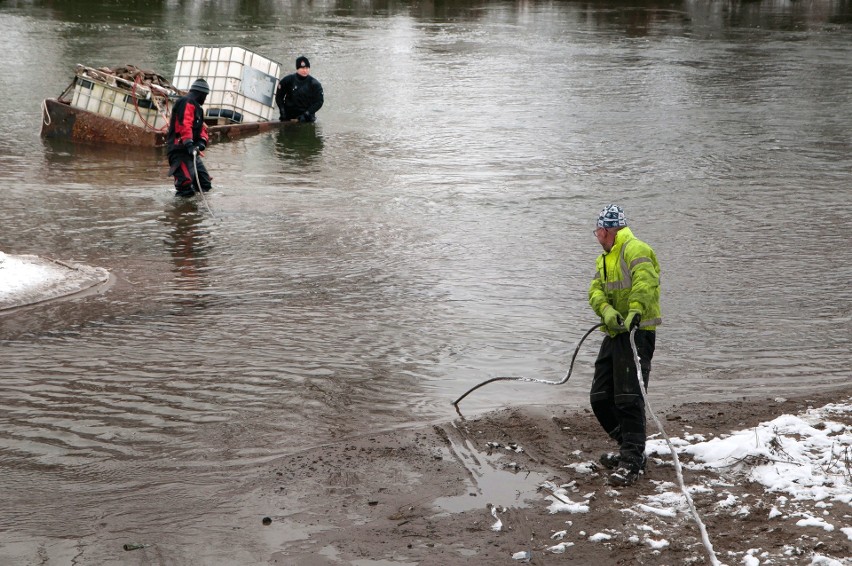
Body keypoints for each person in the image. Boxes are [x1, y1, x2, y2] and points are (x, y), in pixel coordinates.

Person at [588, 204, 661, 486]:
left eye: (597, 232)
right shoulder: (604, 259)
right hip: (615, 332)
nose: (596, 236)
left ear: (606, 230)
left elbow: (646, 283)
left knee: (629, 398)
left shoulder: (636, 249)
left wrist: (635, 311)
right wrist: (605, 310)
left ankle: (632, 459)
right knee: (600, 397)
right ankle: (630, 447)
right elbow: (595, 290)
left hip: (638, 332)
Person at [166, 78, 212, 198]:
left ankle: (195, 210)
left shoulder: (198, 109)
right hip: (179, 151)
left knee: (204, 183)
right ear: (201, 94)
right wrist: (189, 144)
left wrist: (202, 142)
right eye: (205, 96)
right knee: (185, 185)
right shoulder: (186, 103)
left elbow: (202, 128)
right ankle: (181, 213)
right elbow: (185, 125)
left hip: (191, 153)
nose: (205, 99)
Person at [275, 56, 324, 123]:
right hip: (288, 117)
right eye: (302, 68)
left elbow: (319, 102)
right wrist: (282, 110)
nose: (305, 70)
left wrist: (307, 114)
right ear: (297, 68)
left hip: (307, 118)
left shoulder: (314, 84)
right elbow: (279, 97)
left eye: (307, 68)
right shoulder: (287, 80)